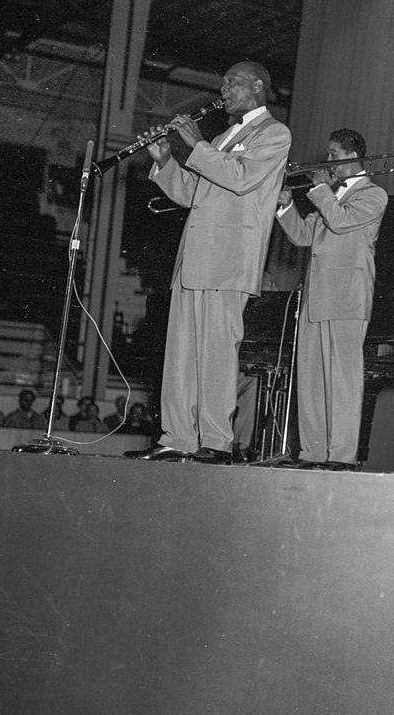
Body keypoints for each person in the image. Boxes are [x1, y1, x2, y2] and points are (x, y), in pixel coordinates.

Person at [125, 60, 291, 464]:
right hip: (195, 259)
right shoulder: (222, 136)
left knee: (217, 353)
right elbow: (191, 193)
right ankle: (177, 436)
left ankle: (216, 441)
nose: (224, 89)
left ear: (257, 85)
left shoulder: (274, 133)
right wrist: (165, 161)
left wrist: (197, 143)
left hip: (228, 261)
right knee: (180, 353)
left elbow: (239, 177)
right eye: (222, 83)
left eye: (232, 82)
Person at [273, 128, 388, 470]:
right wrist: (285, 207)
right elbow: (303, 235)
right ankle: (313, 453)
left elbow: (340, 222)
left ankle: (339, 457)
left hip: (347, 300)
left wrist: (321, 189)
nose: (329, 163)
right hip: (316, 297)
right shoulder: (331, 195)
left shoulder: (373, 195)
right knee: (311, 382)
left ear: (353, 158)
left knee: (342, 381)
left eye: (334, 156)